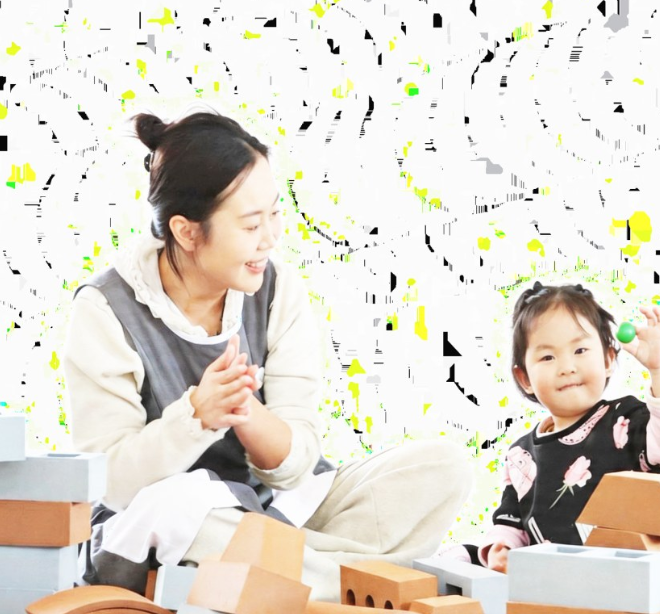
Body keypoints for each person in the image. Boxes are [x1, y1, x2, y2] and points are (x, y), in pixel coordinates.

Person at [63, 110, 472, 602]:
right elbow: (111, 484)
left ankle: (292, 577)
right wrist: (196, 417)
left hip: (273, 510)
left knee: (443, 467)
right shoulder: (106, 309)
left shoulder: (276, 288)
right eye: (252, 224)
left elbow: (298, 465)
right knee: (182, 508)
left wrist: (247, 412)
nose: (271, 238)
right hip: (176, 523)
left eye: (274, 214)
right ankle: (352, 583)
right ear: (187, 232)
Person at [447, 282, 660, 612]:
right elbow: (511, 519)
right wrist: (501, 547)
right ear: (525, 378)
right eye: (547, 356)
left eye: (580, 351)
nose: (566, 366)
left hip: (640, 585)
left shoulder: (622, 421)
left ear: (609, 359)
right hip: (565, 590)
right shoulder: (521, 455)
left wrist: (659, 369)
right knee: (461, 558)